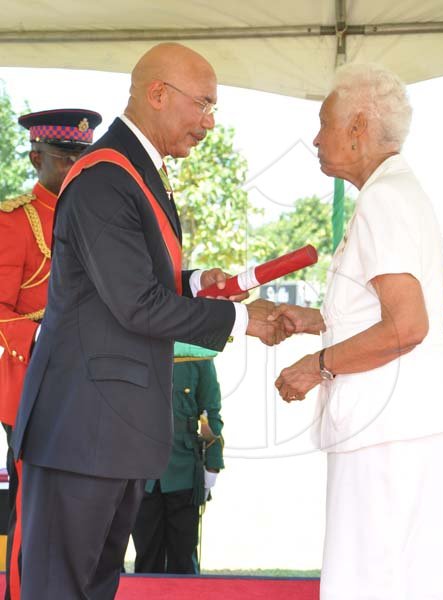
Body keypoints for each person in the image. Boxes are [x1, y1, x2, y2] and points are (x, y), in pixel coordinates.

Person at [11, 43, 288, 600]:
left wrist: (191, 283)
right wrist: (243, 318)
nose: (209, 123)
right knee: (60, 588)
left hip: (110, 434)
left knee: (91, 588)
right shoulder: (105, 175)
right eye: (204, 105)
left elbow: (121, 285)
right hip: (81, 434)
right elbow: (134, 303)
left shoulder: (135, 171)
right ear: (158, 94)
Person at [272, 64, 443, 600]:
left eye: (325, 124)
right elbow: (385, 313)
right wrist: (316, 322)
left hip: (390, 431)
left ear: (359, 125)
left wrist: (314, 367)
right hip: (405, 425)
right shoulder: (394, 192)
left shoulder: (384, 200)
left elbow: (407, 325)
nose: (316, 139)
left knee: (371, 581)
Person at [0, 108, 102, 600]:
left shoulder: (103, 217)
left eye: (83, 159)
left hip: (95, 385)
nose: (75, 169)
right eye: (65, 159)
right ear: (36, 157)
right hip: (34, 385)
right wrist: (43, 342)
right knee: (36, 507)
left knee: (83, 507)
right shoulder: (15, 223)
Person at [132, 341, 224, 574]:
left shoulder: (197, 355)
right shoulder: (135, 346)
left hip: (183, 467)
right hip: (141, 467)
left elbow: (210, 412)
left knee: (183, 557)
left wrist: (212, 465)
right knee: (146, 555)